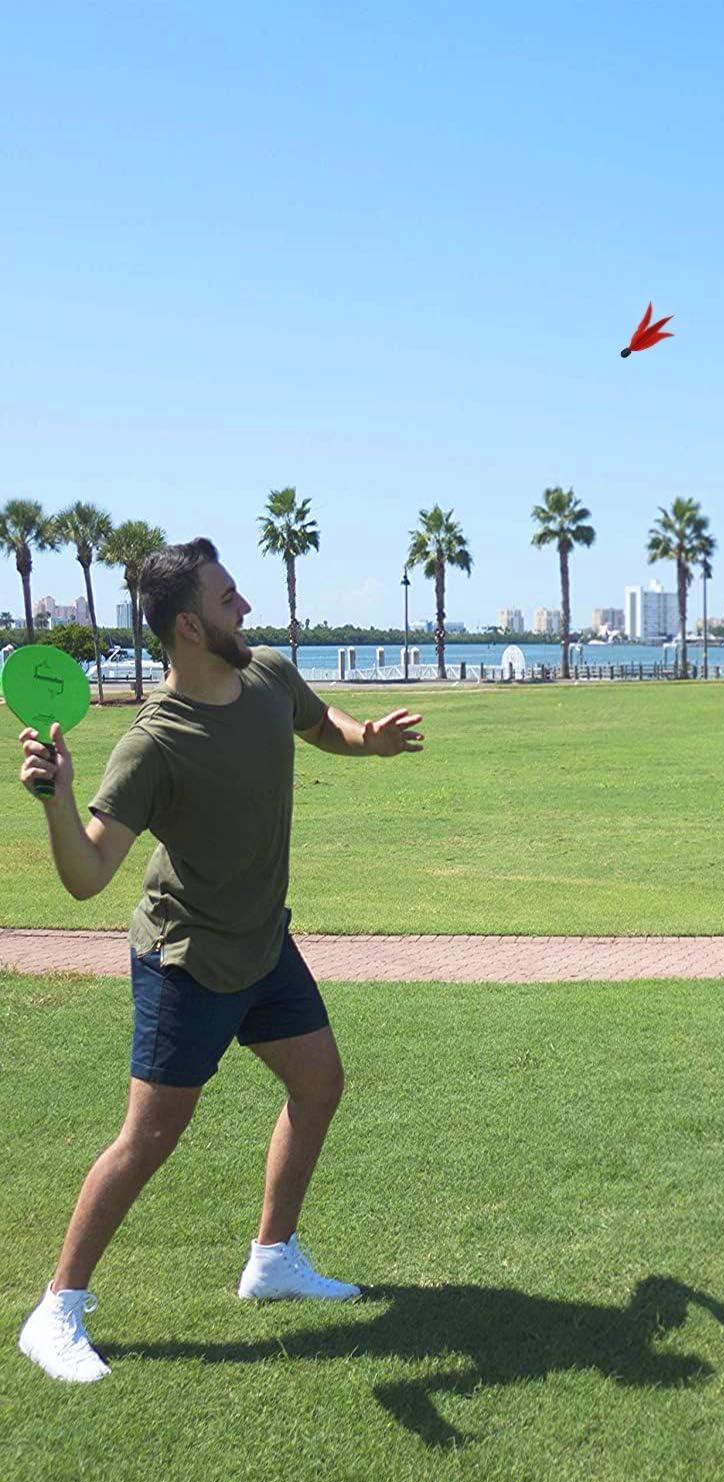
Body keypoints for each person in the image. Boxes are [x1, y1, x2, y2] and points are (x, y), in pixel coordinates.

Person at [16, 538, 423, 1383]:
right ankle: (56, 1310)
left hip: (263, 941)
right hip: (187, 958)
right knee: (149, 1137)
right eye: (229, 597)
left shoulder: (268, 674)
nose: (246, 607)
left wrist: (368, 740)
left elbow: (322, 725)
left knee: (319, 1084)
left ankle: (272, 1260)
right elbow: (87, 875)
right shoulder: (154, 742)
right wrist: (58, 798)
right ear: (191, 627)